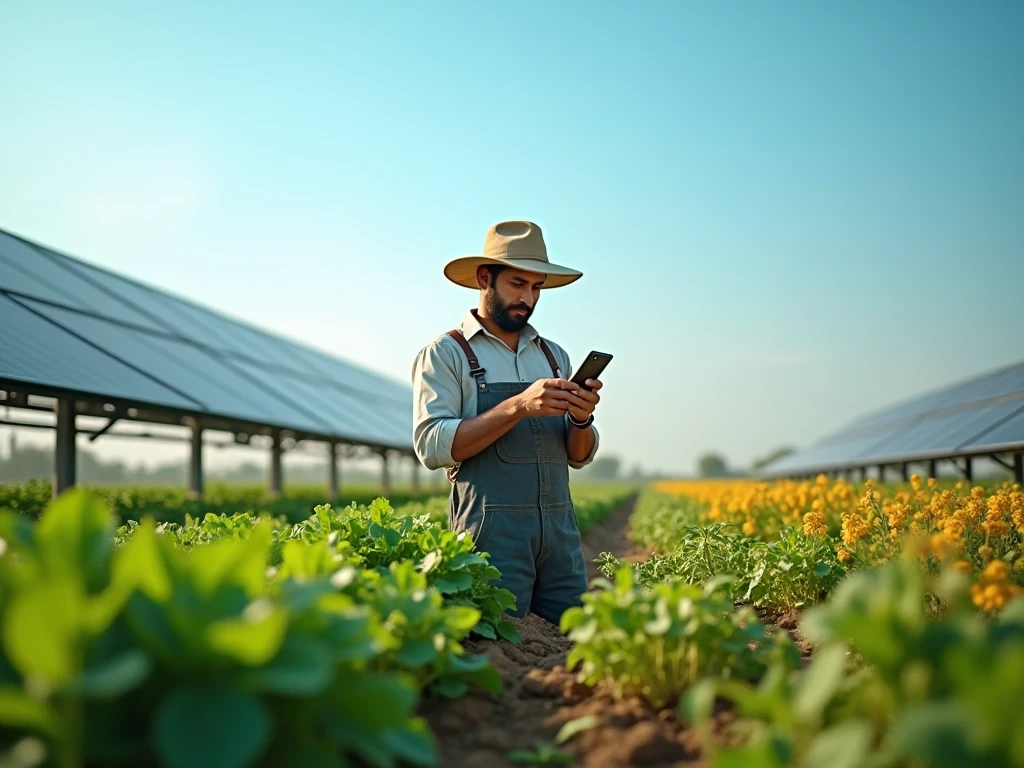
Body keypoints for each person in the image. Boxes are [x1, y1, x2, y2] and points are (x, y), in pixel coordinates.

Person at [411, 220, 604, 625]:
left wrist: (582, 419)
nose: (528, 298)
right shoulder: (446, 354)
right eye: (518, 283)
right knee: (495, 648)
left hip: (560, 538)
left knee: (572, 646)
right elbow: (431, 445)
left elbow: (579, 458)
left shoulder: (554, 356)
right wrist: (517, 406)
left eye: (536, 287)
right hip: (490, 537)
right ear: (485, 278)